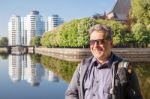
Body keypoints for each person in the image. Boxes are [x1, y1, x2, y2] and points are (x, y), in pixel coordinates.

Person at [65, 24, 142, 99]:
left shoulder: (124, 68)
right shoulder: (83, 66)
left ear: (111, 43)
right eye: (92, 42)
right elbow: (71, 93)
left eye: (100, 41)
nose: (95, 46)